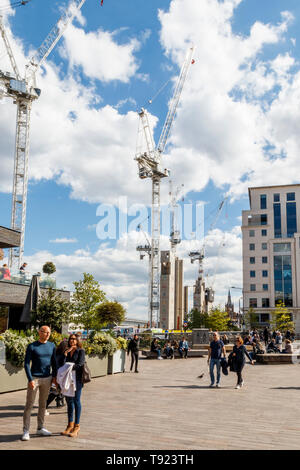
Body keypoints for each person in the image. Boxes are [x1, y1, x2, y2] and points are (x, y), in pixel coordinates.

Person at [22, 325, 57, 441]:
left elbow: (54, 362)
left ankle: (40, 427)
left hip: (47, 378)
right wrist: (30, 379)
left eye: (49, 332)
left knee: (43, 404)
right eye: (45, 332)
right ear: (39, 332)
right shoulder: (32, 346)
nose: (47, 334)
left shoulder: (52, 346)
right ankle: (26, 431)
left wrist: (55, 377)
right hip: (35, 378)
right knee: (29, 405)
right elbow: (26, 364)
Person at [60, 334, 85, 438]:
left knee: (76, 401)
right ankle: (69, 425)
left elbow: (80, 364)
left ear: (77, 340)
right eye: (70, 339)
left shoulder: (81, 351)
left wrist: (69, 366)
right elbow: (61, 364)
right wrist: (65, 355)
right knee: (69, 402)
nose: (72, 341)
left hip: (77, 379)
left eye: (74, 339)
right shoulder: (67, 351)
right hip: (68, 379)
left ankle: (77, 426)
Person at [45, 339, 68, 414]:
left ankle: (44, 407)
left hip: (56, 375)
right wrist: (65, 356)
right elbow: (63, 365)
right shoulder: (63, 355)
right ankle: (44, 407)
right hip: (60, 376)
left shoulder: (56, 354)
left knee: (54, 392)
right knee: (55, 392)